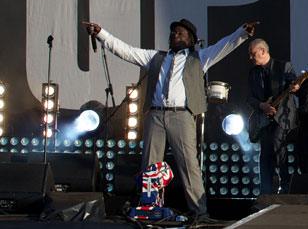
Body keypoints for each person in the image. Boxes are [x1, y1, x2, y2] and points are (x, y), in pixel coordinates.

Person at [83, 18, 256, 223]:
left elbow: (223, 46)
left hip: (181, 115)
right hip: (155, 115)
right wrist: (102, 34)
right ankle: (149, 209)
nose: (175, 35)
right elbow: (125, 50)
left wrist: (242, 33)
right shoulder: (156, 57)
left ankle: (199, 213)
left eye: (180, 33)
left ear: (190, 39)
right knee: (150, 166)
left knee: (188, 165)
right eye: (173, 33)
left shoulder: (199, 57)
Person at [246, 39, 299, 195]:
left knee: (278, 147)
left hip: (282, 117)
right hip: (264, 120)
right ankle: (265, 190)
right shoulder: (253, 73)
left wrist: (296, 86)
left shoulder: (284, 66)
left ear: (263, 51)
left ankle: (285, 185)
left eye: (252, 53)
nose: (250, 57)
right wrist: (262, 106)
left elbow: (294, 85)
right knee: (265, 155)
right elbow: (249, 98)